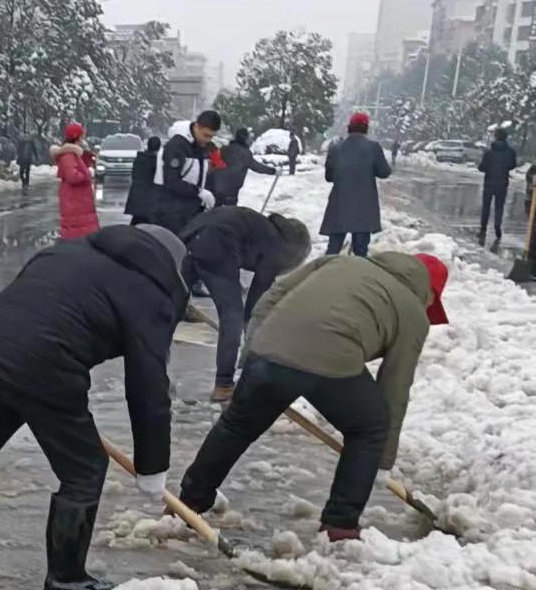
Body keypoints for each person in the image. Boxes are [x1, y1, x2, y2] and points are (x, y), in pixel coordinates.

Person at [0, 224, 189, 590]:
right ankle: (67, 576)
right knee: (85, 468)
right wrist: (153, 467)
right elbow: (148, 382)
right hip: (45, 362)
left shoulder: (66, 252)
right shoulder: (149, 291)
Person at [178, 250, 449, 541]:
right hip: (331, 363)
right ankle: (340, 525)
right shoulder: (413, 313)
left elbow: (271, 297)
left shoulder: (339, 261)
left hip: (269, 349)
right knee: (369, 428)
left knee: (236, 426)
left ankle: (188, 503)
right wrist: (381, 461)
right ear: (429, 292)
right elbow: (395, 387)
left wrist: (254, 355)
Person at [179, 207, 313, 401]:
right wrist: (248, 328)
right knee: (232, 317)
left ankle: (151, 368)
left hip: (192, 236)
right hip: (217, 243)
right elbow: (257, 296)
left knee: (173, 302)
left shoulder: (264, 229)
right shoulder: (280, 248)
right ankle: (224, 384)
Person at [320, 112, 391, 256]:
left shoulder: (335, 148)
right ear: (366, 128)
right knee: (361, 251)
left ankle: (328, 268)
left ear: (349, 127)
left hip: (339, 204)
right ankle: (358, 269)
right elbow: (384, 172)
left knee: (333, 249)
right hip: (363, 206)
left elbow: (329, 177)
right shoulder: (373, 148)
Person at [153, 109, 221, 234]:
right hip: (171, 212)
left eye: (211, 136)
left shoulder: (201, 146)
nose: (208, 140)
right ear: (196, 126)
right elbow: (171, 181)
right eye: (206, 135)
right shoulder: (178, 146)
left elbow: (199, 176)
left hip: (191, 210)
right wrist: (199, 192)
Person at [52, 121, 100, 240]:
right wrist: (87, 175)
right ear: (77, 137)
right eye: (81, 136)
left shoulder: (75, 153)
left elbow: (80, 165)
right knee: (76, 230)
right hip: (74, 199)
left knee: (82, 228)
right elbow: (72, 176)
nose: (83, 138)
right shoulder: (68, 155)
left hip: (78, 198)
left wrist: (87, 157)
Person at [212, 128, 276, 207]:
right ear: (244, 138)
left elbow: (214, 162)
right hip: (231, 191)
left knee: (214, 211)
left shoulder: (224, 149)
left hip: (216, 188)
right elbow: (256, 166)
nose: (249, 140)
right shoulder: (246, 153)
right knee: (230, 212)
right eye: (248, 138)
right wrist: (272, 171)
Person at [478, 126, 519, 249]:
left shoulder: (489, 152)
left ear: (495, 137)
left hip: (489, 182)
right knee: (499, 206)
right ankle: (497, 227)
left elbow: (481, 168)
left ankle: (483, 230)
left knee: (486, 207)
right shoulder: (510, 152)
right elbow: (513, 165)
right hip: (502, 183)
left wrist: (488, 167)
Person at [125, 135, 161, 223]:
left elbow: (134, 174)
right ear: (158, 147)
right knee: (147, 222)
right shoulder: (155, 162)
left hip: (136, 193)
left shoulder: (139, 158)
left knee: (137, 220)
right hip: (148, 197)